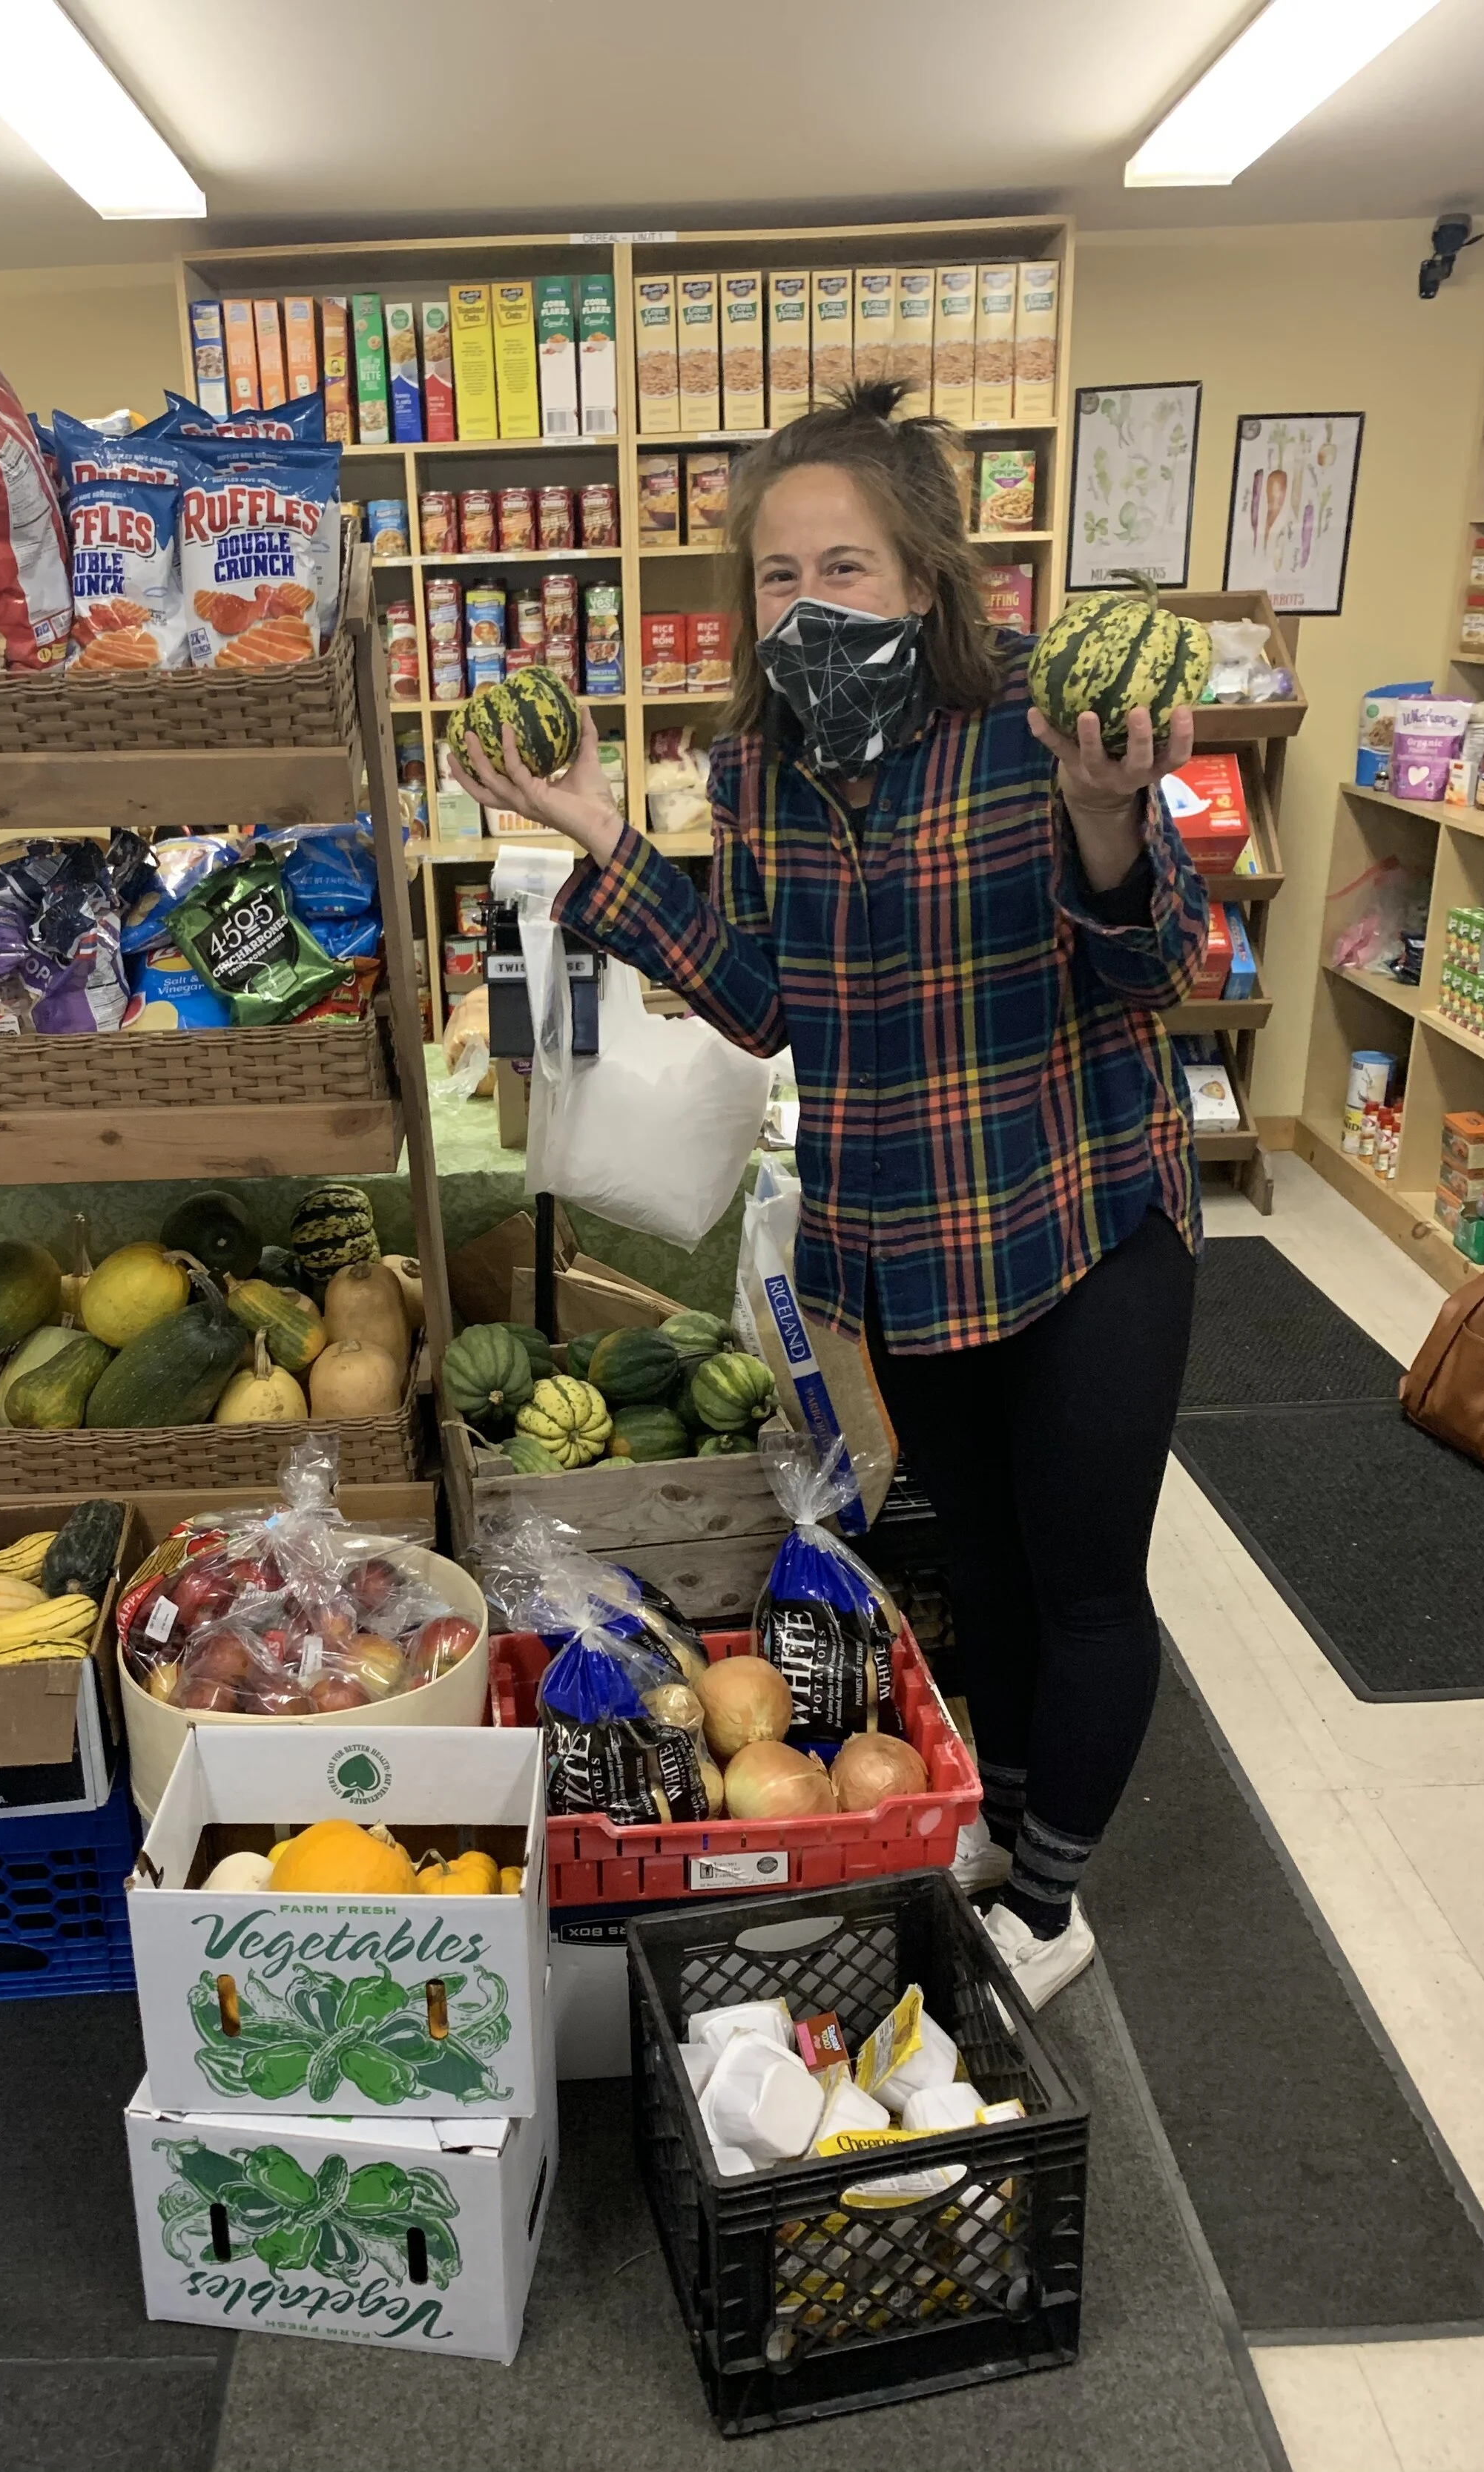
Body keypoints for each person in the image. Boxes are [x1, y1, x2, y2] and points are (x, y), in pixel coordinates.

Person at [445, 379, 1207, 2010]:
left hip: (1079, 1218)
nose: (808, 603)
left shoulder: (1039, 729)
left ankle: (1052, 1900)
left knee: (1080, 1580)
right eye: (778, 576)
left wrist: (1097, 811)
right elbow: (766, 998)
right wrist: (589, 826)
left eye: (843, 568)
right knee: (980, 1575)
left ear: (921, 580)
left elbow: (1156, 962)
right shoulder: (760, 771)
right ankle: (997, 1827)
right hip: (902, 1245)